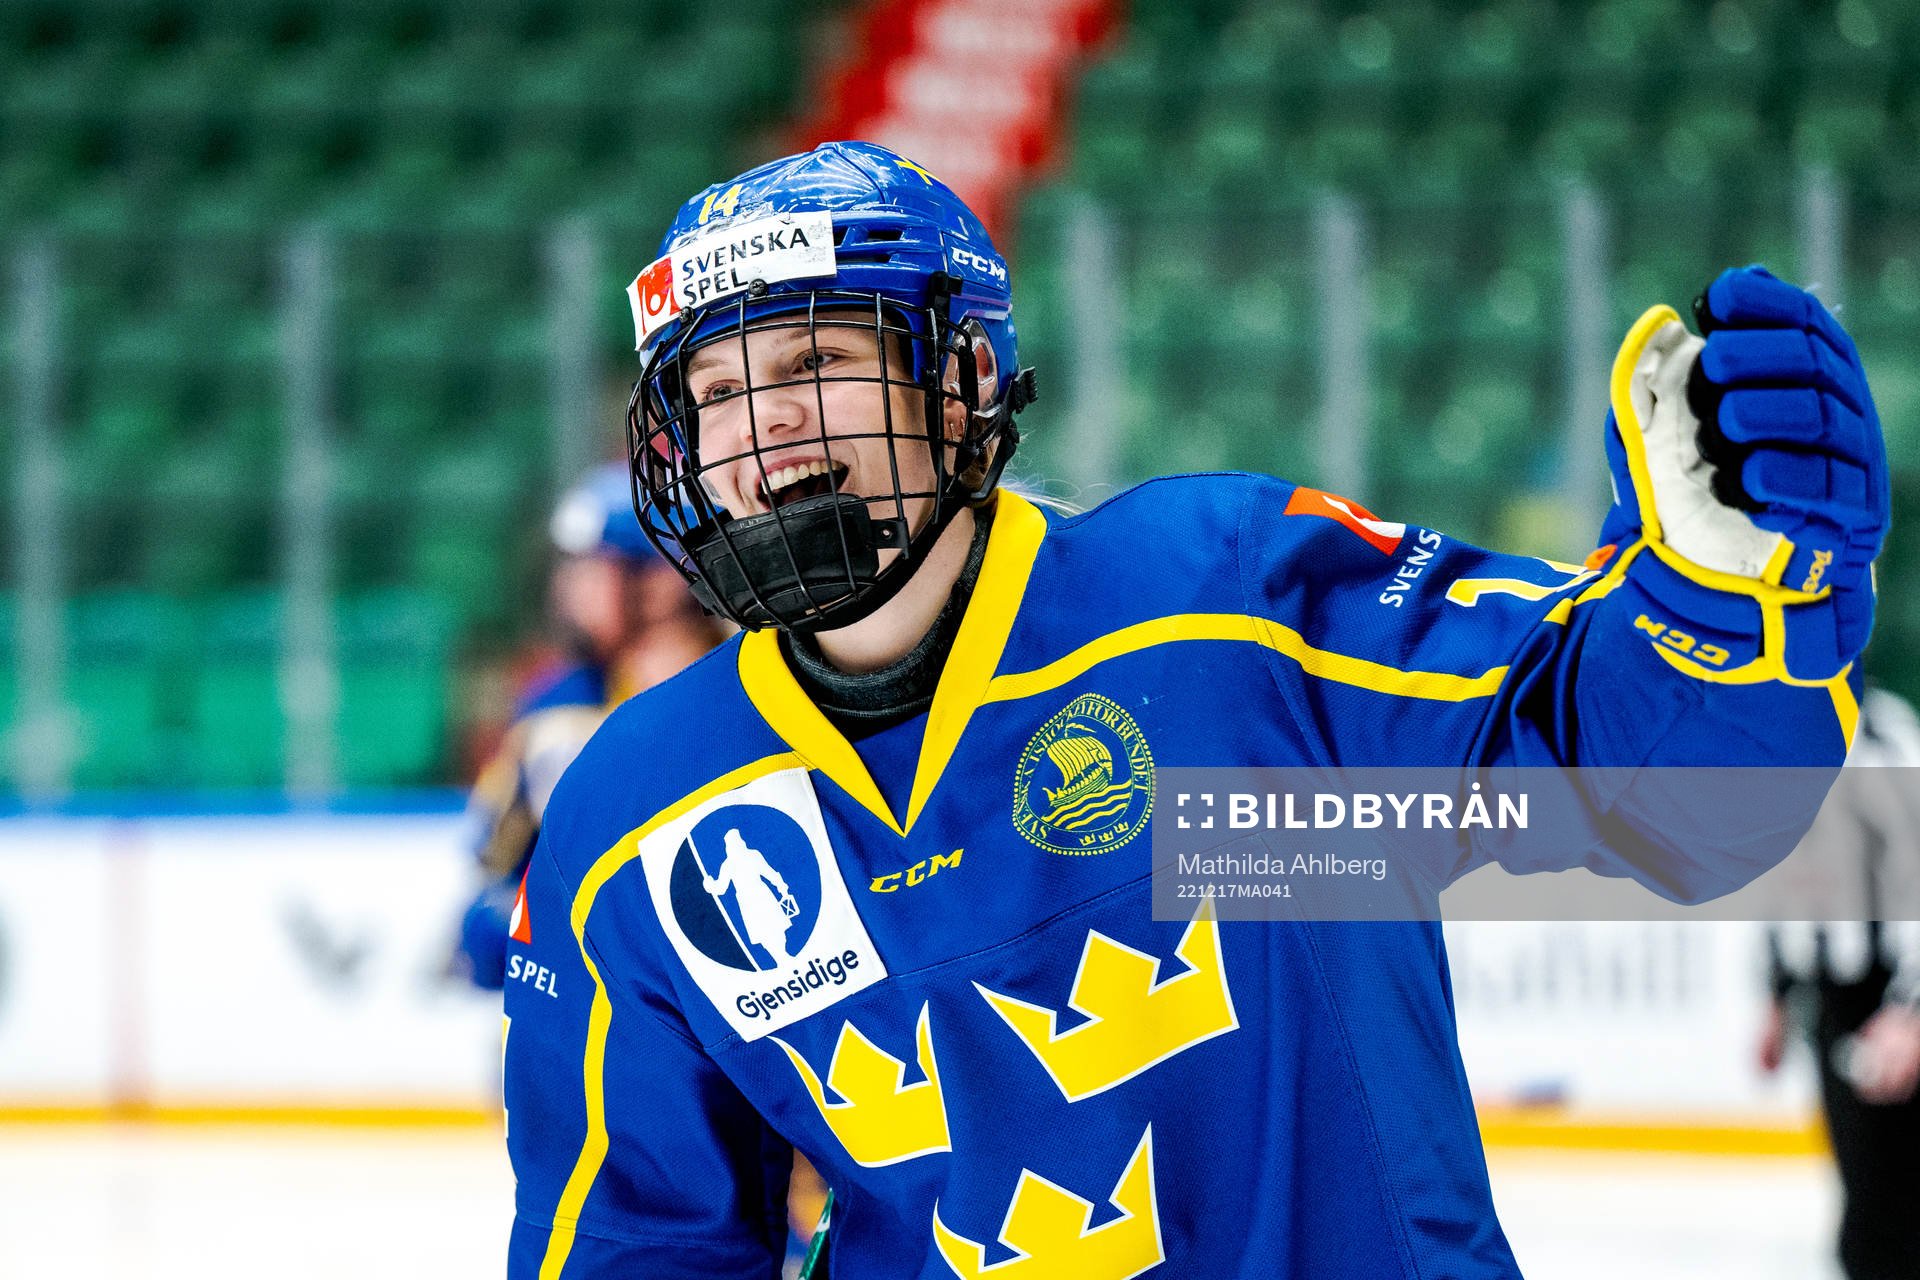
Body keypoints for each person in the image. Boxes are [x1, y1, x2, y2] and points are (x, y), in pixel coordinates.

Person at [502, 141, 1887, 1278]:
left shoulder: (1229, 619)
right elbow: (635, 1247)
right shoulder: (636, 814)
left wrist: (1717, 609)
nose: (766, 431)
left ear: (965, 376)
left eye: (814, 366)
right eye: (717, 389)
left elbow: (1681, 801)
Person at [451, 461, 726, 990]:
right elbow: (488, 903)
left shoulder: (760, 691)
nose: (569, 589)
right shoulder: (555, 709)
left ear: (664, 580)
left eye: (593, 567)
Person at [1758, 685, 1920, 1280]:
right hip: (1830, 999)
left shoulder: (1885, 738)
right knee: (1862, 1208)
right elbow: (1781, 873)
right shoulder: (1780, 737)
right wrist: (1775, 995)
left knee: (1889, 1216)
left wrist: (1911, 1012)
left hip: (1889, 999)